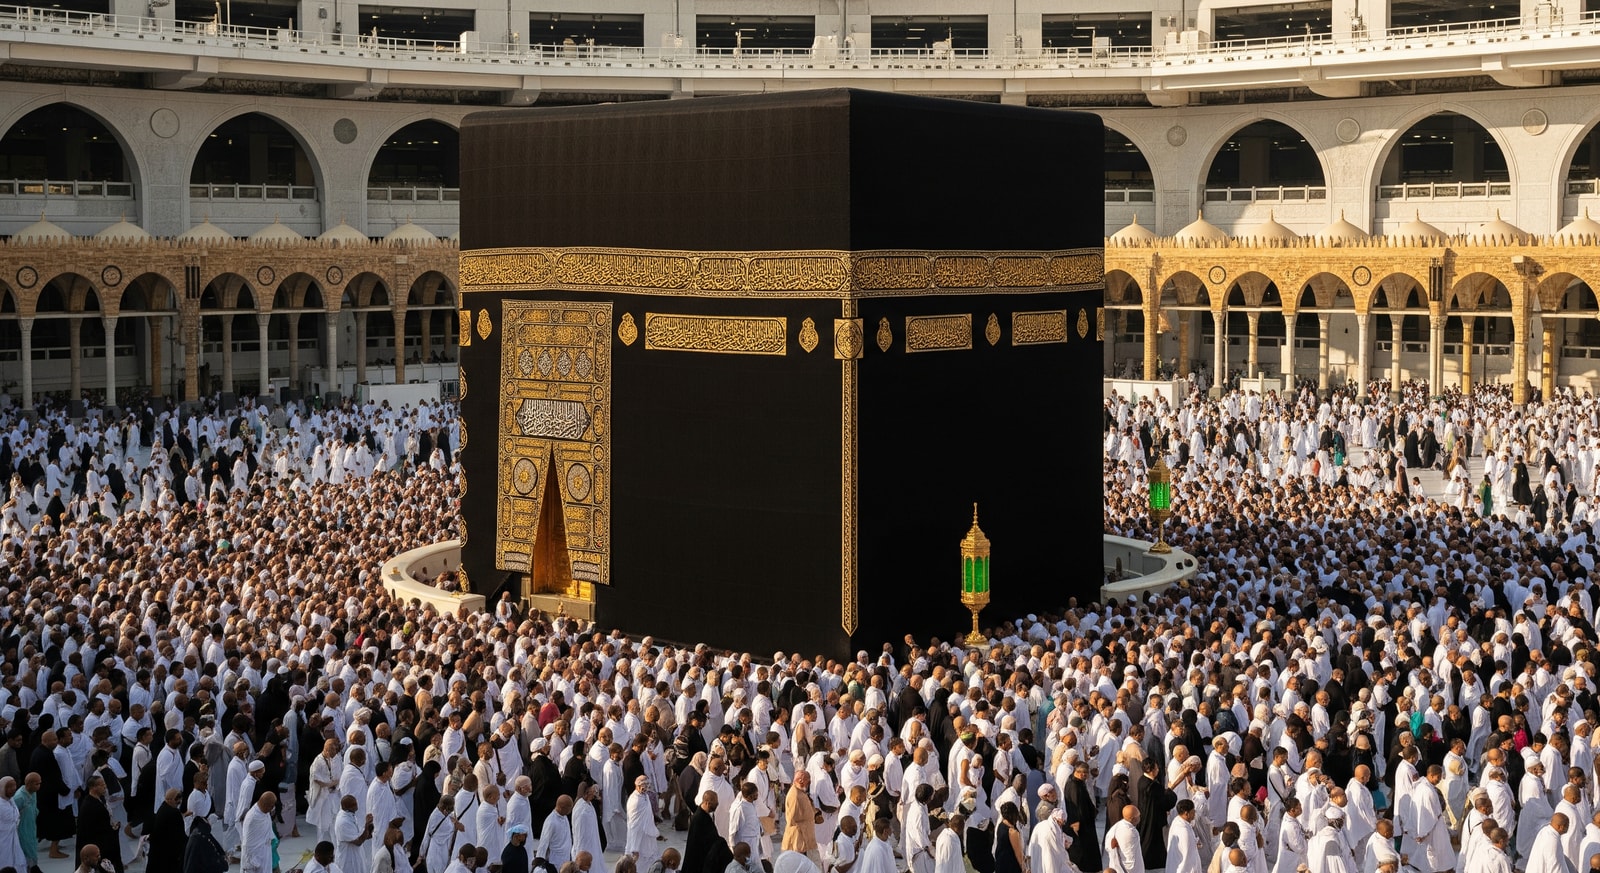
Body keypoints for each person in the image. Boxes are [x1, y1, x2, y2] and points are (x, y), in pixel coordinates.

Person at [781, 771, 818, 865]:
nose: (809, 784)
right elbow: (791, 819)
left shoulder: (800, 792)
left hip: (804, 836)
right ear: (801, 781)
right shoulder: (795, 795)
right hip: (798, 837)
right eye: (808, 782)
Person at [239, 793, 277, 873]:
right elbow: (247, 844)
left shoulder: (265, 812)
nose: (272, 808)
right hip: (254, 860)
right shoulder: (253, 817)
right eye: (271, 806)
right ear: (265, 805)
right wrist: (250, 864)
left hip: (265, 853)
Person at [1104, 805, 1142, 873]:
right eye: (1138, 816)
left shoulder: (1116, 826)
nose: (1140, 817)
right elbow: (1131, 859)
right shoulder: (1131, 832)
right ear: (1134, 819)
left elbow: (1108, 846)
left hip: (1116, 866)